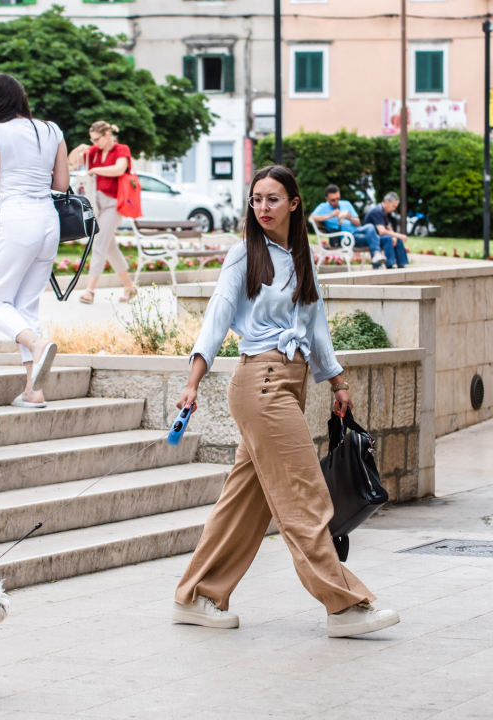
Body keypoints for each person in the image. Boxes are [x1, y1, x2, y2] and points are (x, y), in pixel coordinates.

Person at [171, 165, 400, 639]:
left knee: (243, 504)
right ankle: (344, 606)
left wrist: (336, 381)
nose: (263, 208)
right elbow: (216, 315)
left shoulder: (300, 255)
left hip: (289, 383)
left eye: (273, 199)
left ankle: (198, 595)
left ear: (294, 203)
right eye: (257, 199)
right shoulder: (244, 254)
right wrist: (193, 381)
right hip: (262, 383)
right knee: (305, 494)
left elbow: (315, 324)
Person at [0, 72, 69, 409]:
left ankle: (37, 345)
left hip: (18, 220)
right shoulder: (52, 130)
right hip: (49, 223)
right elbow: (62, 184)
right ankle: (33, 391)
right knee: (26, 307)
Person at [67, 121, 139, 305]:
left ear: (107, 135)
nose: (94, 142)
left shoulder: (121, 149)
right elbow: (72, 161)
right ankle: (130, 287)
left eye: (97, 139)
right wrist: (80, 148)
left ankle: (90, 290)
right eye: (92, 139)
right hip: (97, 204)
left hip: (114, 204)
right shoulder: (94, 151)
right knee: (109, 247)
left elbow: (119, 169)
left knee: (99, 242)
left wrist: (95, 170)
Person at [309, 184, 393, 270]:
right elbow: (311, 218)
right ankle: (377, 261)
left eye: (338, 198)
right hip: (347, 239)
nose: (336, 202)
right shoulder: (323, 207)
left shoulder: (346, 204)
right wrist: (330, 215)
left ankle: (388, 265)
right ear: (327, 199)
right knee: (373, 233)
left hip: (358, 232)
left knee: (383, 236)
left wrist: (349, 218)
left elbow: (358, 222)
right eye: (333, 200)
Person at [362, 192, 410, 269]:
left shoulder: (383, 212)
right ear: (387, 202)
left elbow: (388, 227)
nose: (394, 209)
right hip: (371, 239)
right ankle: (390, 265)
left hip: (378, 237)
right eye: (393, 206)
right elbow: (382, 231)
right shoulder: (376, 211)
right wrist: (399, 235)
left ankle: (402, 264)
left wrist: (395, 236)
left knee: (396, 239)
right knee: (388, 238)